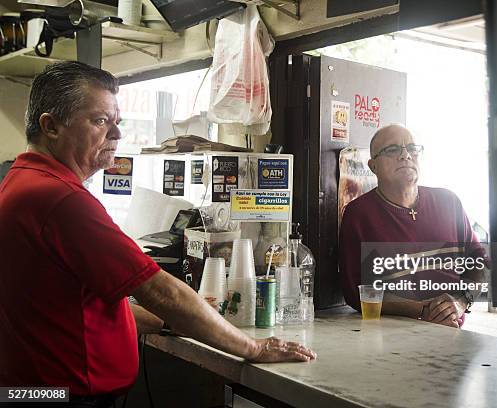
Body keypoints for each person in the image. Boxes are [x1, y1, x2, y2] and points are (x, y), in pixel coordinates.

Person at [0, 61, 316, 407]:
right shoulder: (60, 199)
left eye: (116, 121)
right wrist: (252, 347)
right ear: (51, 126)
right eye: (100, 120)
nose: (117, 134)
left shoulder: (20, 183)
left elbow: (73, 301)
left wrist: (172, 322)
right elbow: (158, 290)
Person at [338, 124, 486, 328]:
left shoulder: (449, 202)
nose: (405, 155)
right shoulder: (358, 214)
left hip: (452, 334)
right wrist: (422, 310)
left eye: (412, 149)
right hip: (388, 336)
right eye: (392, 150)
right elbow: (356, 292)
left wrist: (461, 302)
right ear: (373, 166)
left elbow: (479, 261)